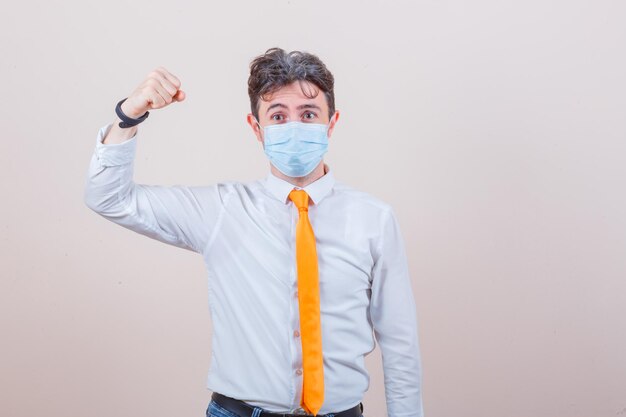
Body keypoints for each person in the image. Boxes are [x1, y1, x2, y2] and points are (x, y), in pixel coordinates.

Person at [83, 47, 424, 417]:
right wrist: (128, 115)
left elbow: (399, 343)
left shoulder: (374, 219)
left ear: (332, 122)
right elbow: (109, 198)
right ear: (256, 128)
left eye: (308, 114)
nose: (294, 126)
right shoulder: (220, 210)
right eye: (278, 116)